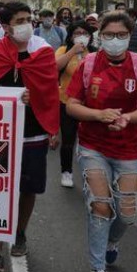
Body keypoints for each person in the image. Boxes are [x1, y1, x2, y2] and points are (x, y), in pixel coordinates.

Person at [65, 12, 137, 272]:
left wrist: (127, 119)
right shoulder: (88, 64)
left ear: (129, 37)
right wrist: (98, 115)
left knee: (127, 212)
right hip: (94, 146)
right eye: (109, 35)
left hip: (130, 148)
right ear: (99, 36)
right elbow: (71, 105)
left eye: (121, 35)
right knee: (101, 205)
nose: (115, 40)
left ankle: (111, 243)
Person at [0, 1, 60, 272]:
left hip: (33, 133)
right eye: (19, 20)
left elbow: (49, 93)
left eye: (28, 19)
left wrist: (52, 127)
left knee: (28, 189)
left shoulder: (43, 52)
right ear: (5, 27)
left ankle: (20, 231)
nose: (26, 24)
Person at [55, 21, 96, 188]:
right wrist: (72, 51)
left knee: (90, 143)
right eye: (77, 33)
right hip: (67, 103)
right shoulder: (63, 50)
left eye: (85, 33)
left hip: (90, 105)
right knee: (68, 140)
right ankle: (66, 171)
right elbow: (54, 67)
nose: (81, 36)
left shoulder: (95, 53)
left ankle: (91, 174)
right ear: (71, 36)